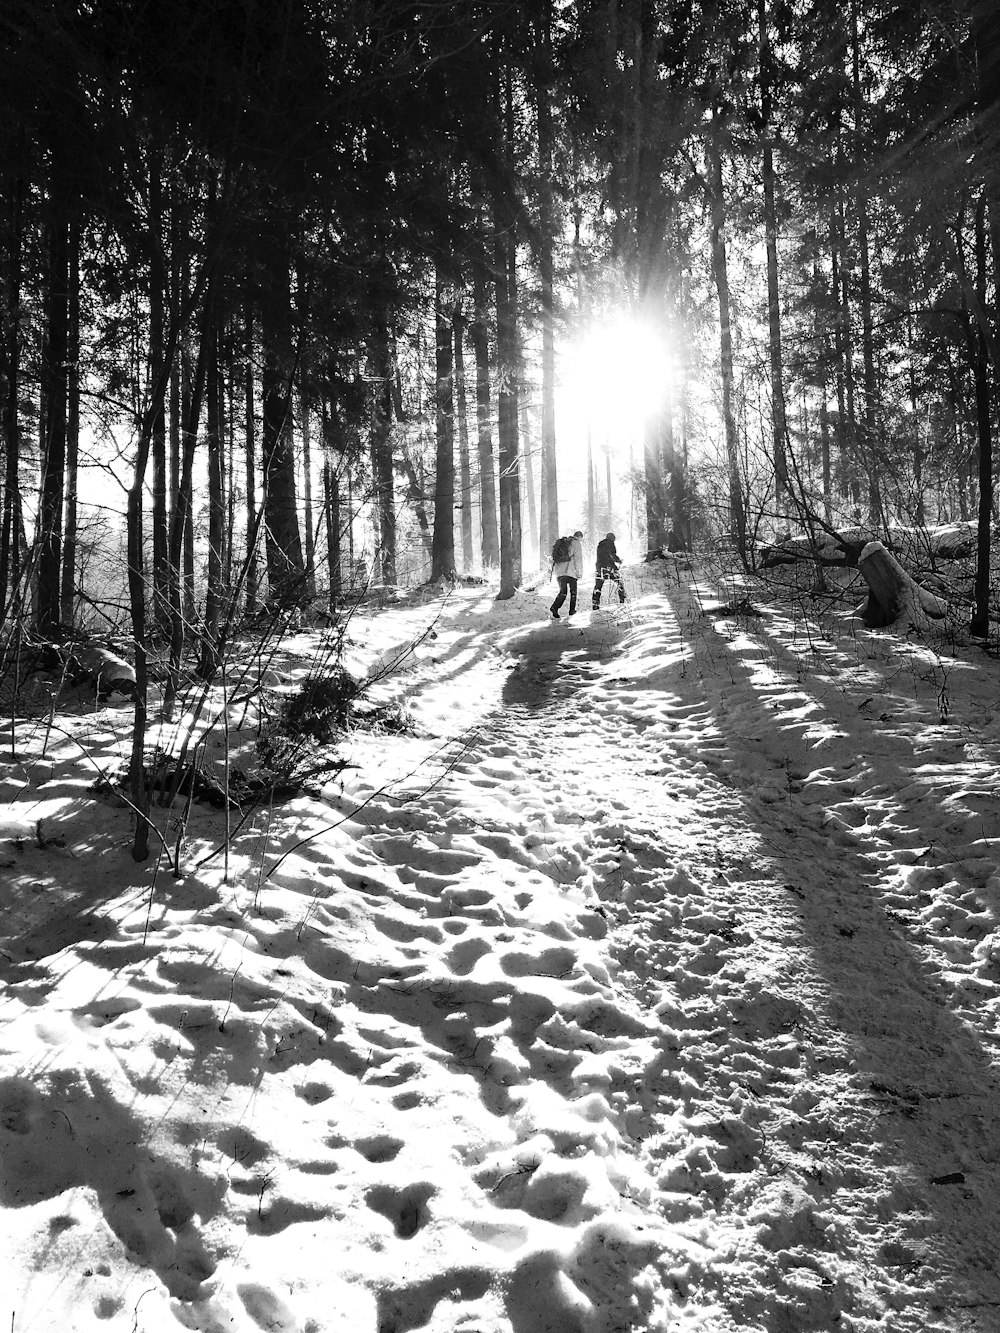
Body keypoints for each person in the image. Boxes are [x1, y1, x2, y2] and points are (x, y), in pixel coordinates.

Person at [550, 530, 584, 618]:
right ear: (580, 537)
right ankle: (572, 610)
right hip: (570, 572)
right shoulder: (576, 543)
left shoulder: (564, 543)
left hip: (559, 572)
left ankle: (555, 607)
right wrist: (579, 573)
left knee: (563, 592)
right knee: (573, 592)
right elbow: (578, 559)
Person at [592, 532, 627, 609]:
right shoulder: (610, 544)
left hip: (599, 567)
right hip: (609, 567)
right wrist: (618, 560)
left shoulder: (600, 545)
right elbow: (611, 555)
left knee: (598, 585)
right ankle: (622, 600)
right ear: (612, 539)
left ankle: (595, 603)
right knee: (619, 581)